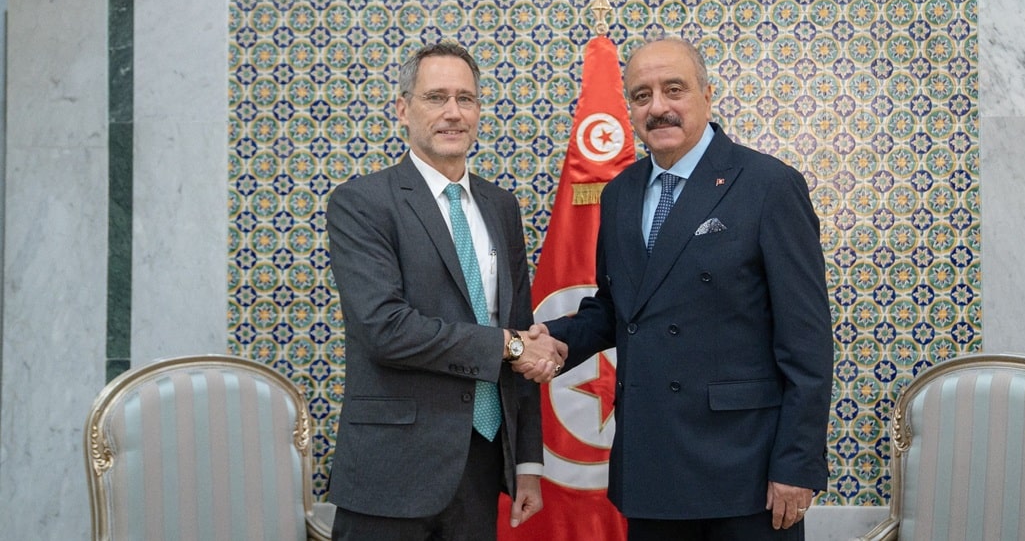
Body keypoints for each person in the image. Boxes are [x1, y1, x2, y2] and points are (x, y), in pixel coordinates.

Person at [542, 37, 834, 540]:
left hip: (746, 469)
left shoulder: (767, 185)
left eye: (673, 89)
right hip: (652, 462)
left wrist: (797, 463)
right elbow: (620, 306)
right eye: (642, 95)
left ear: (707, 94)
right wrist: (554, 339)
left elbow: (807, 343)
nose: (658, 107)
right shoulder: (620, 194)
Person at [326, 41, 567, 541]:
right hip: (391, 471)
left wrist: (526, 461)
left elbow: (520, 328)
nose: (453, 113)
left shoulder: (501, 207)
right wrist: (507, 346)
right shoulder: (362, 202)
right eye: (436, 97)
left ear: (478, 111)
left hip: (481, 464)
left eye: (465, 98)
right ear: (403, 109)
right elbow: (385, 330)